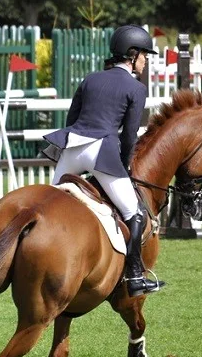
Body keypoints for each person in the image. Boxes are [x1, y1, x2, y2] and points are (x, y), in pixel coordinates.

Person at [43, 25, 163, 297]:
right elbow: (130, 135)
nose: (146, 61)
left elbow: (71, 119)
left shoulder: (90, 79)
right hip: (102, 152)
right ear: (132, 55)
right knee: (134, 213)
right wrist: (122, 165)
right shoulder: (136, 87)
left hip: (72, 147)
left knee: (51, 202)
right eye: (144, 55)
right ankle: (134, 276)